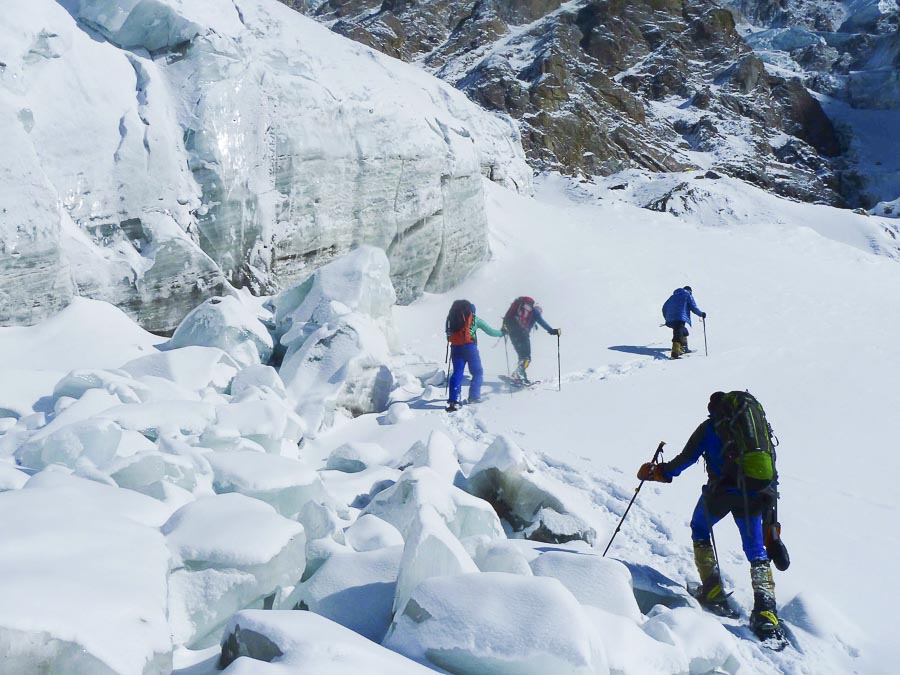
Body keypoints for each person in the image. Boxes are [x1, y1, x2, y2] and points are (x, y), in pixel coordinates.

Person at [637, 392, 785, 643]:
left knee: (700, 528)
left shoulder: (709, 428)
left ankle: (713, 589)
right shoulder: (754, 432)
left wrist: (659, 472)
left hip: (721, 493)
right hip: (754, 494)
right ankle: (766, 611)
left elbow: (685, 460)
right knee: (755, 549)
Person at [445, 301, 504, 412]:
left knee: (457, 373)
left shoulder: (451, 318)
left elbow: (448, 337)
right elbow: (490, 331)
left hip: (456, 348)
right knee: (477, 372)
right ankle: (474, 397)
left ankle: (454, 401)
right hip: (470, 348)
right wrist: (502, 333)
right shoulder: (475, 319)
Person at [501, 296, 560, 384]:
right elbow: (542, 322)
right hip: (522, 334)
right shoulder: (535, 312)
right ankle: (518, 374)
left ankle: (520, 375)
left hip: (512, 334)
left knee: (522, 357)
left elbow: (508, 317)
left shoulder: (519, 310)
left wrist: (504, 328)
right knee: (527, 358)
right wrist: (551, 330)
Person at [662, 286, 705, 359]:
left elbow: (664, 308)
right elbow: (693, 307)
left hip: (670, 319)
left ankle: (684, 347)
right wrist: (701, 314)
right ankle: (675, 353)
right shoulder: (687, 295)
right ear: (689, 291)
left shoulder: (672, 297)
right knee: (678, 333)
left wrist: (667, 317)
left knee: (682, 330)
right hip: (680, 317)